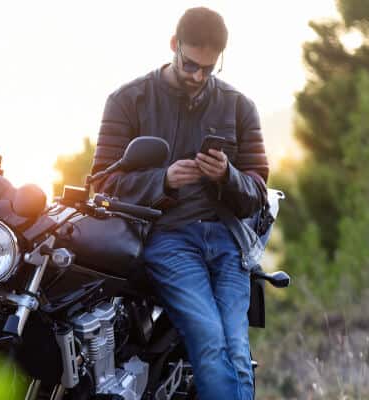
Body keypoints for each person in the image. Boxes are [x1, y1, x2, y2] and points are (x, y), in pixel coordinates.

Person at [91, 7, 269, 400]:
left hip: (227, 239)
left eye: (209, 69)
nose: (198, 77)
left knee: (237, 351)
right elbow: (102, 184)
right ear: (173, 45)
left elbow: (258, 192)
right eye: (191, 65)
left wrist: (227, 176)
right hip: (167, 237)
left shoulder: (239, 107)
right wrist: (163, 180)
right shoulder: (128, 100)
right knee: (209, 338)